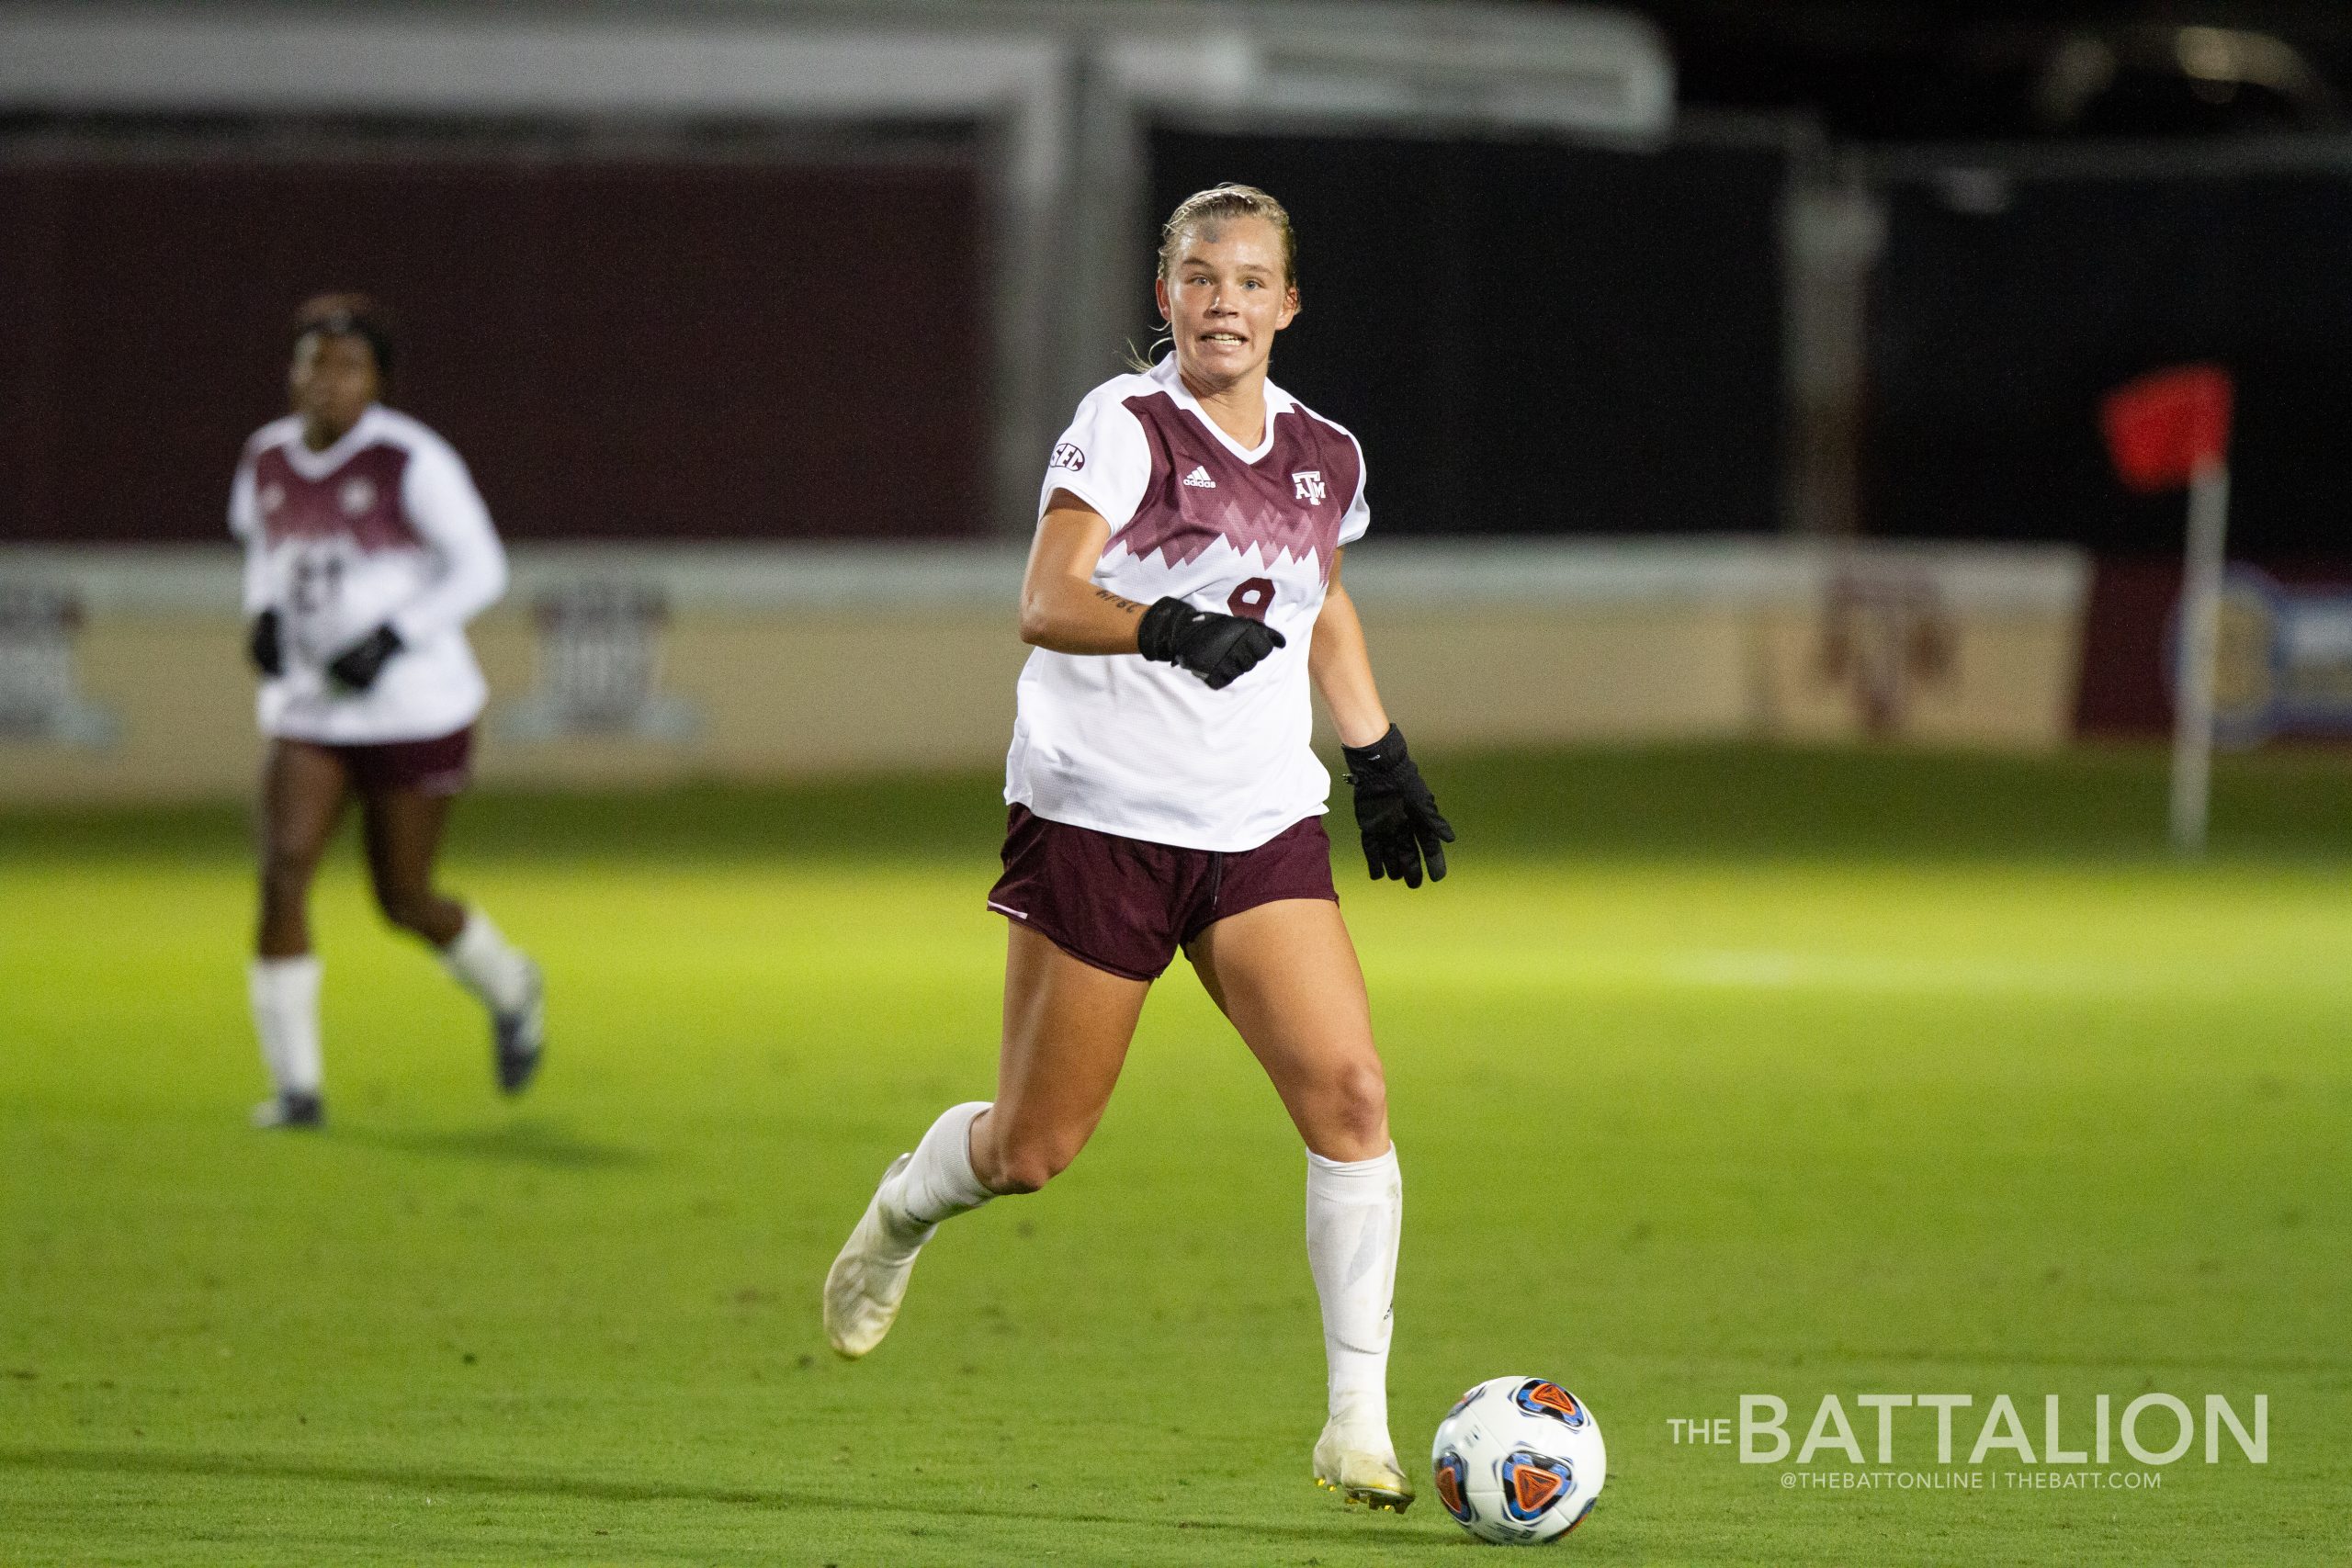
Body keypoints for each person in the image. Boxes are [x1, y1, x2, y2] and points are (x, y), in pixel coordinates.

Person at [823, 186, 1453, 1513]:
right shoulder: (1125, 427)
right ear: (1165, 297)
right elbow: (1047, 600)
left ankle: (1357, 1420)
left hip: (1255, 821)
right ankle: (902, 1211)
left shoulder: (1325, 451)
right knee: (1035, 1146)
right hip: (1100, 817)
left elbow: (1318, 591)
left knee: (1351, 1095)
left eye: (1251, 279)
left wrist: (1377, 750)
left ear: (1289, 303)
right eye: (1200, 277)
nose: (1225, 300)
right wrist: (1165, 625)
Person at [232, 293, 544, 1129]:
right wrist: (261, 612)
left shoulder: (411, 460)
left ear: (379, 381)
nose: (328, 381)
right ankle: (297, 1090)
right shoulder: (265, 455)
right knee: (283, 871)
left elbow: (482, 568)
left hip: (414, 707)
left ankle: (512, 984)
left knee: (402, 896)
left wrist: (394, 636)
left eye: (349, 365)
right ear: (291, 373)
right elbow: (266, 551)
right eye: (314, 362)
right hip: (310, 708)